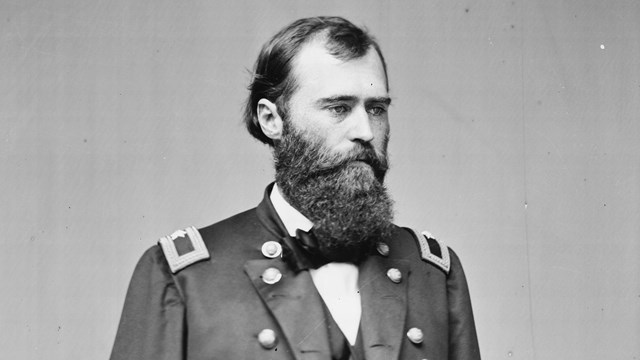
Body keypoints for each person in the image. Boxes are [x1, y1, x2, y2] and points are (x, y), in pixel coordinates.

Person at [110, 16, 480, 360]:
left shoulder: (433, 272)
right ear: (271, 119)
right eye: (338, 108)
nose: (366, 132)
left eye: (377, 109)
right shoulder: (184, 277)